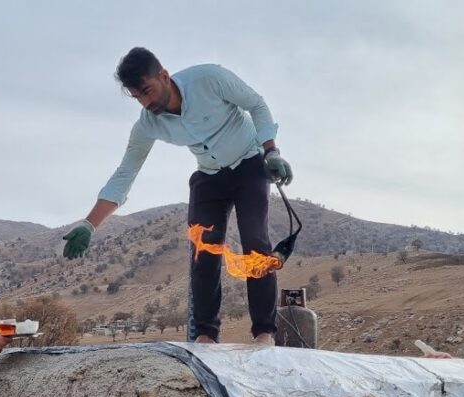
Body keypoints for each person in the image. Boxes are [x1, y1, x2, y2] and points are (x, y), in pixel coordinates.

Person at [64, 47, 294, 345]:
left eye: (147, 91)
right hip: (209, 175)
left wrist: (271, 151)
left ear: (163, 75)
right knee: (203, 253)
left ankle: (264, 333)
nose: (145, 103)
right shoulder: (147, 124)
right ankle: (205, 336)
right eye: (137, 97)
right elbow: (125, 173)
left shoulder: (209, 79)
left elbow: (256, 104)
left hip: (250, 164)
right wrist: (89, 224)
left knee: (256, 243)